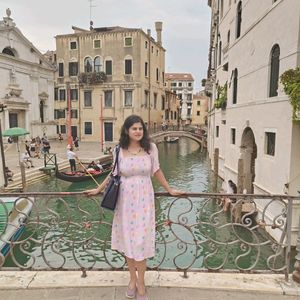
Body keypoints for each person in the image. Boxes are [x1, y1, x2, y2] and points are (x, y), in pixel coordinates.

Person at [85, 115, 185, 300]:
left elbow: (156, 171)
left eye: (140, 128)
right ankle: (132, 279)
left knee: (141, 242)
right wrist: (98, 189)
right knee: (129, 243)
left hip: (145, 201)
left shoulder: (150, 148)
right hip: (125, 202)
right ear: (126, 131)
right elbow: (113, 174)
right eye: (134, 128)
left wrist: (169, 189)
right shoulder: (118, 150)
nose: (138, 131)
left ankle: (142, 281)